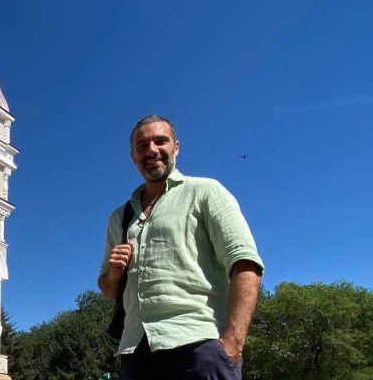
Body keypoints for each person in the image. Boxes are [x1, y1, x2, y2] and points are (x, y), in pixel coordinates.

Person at [98, 115, 263, 380]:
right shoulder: (119, 217)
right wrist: (115, 274)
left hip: (199, 344)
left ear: (176, 147)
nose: (151, 150)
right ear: (133, 156)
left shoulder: (205, 191)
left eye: (160, 141)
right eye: (142, 145)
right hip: (135, 353)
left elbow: (245, 263)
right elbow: (107, 289)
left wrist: (231, 345)